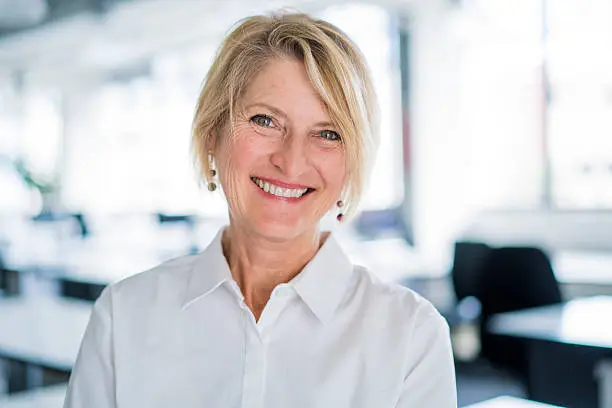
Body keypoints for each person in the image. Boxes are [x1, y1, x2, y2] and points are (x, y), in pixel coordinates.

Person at [64, 12, 456, 408]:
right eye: (265, 120)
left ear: (352, 161)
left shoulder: (411, 336)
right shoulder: (123, 316)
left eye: (328, 134)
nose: (291, 160)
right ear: (213, 133)